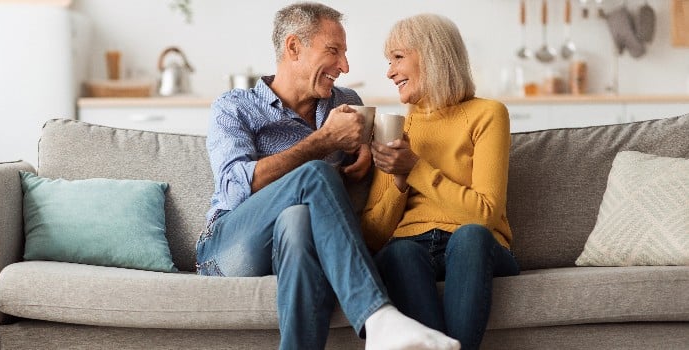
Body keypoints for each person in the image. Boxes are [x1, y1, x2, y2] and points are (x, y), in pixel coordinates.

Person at [196, 3, 460, 350]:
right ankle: (378, 317)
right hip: (229, 246)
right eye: (333, 51)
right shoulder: (234, 106)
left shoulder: (347, 102)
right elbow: (234, 189)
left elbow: (375, 172)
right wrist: (322, 142)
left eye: (345, 53)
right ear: (293, 48)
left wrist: (368, 149)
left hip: (296, 246)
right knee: (314, 174)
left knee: (297, 218)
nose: (345, 66)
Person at [361, 14, 521, 350]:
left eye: (398, 58)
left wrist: (416, 168)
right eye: (388, 62)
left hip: (477, 246)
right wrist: (400, 182)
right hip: (412, 246)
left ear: (431, 55)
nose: (389, 72)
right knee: (398, 252)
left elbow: (485, 214)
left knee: (470, 236)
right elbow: (373, 236)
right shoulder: (396, 129)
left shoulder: (488, 114)